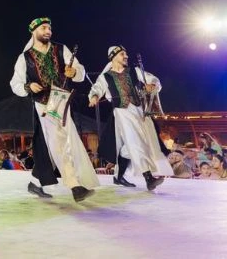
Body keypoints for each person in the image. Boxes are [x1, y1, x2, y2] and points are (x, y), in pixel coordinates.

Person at [9, 17, 98, 202]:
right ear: (34, 31)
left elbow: (78, 69)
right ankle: (75, 186)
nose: (48, 31)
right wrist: (28, 86)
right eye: (44, 28)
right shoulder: (24, 58)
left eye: (49, 28)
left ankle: (36, 183)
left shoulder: (61, 49)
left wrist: (74, 72)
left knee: (57, 144)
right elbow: (15, 84)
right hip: (43, 105)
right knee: (59, 143)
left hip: (62, 102)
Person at [88, 46, 172, 190]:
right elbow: (97, 88)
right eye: (122, 54)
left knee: (130, 147)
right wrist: (94, 96)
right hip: (122, 113)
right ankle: (148, 178)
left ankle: (119, 177)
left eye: (126, 53)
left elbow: (153, 79)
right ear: (113, 57)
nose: (126, 56)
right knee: (135, 142)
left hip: (139, 112)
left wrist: (153, 85)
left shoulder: (134, 71)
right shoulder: (105, 76)